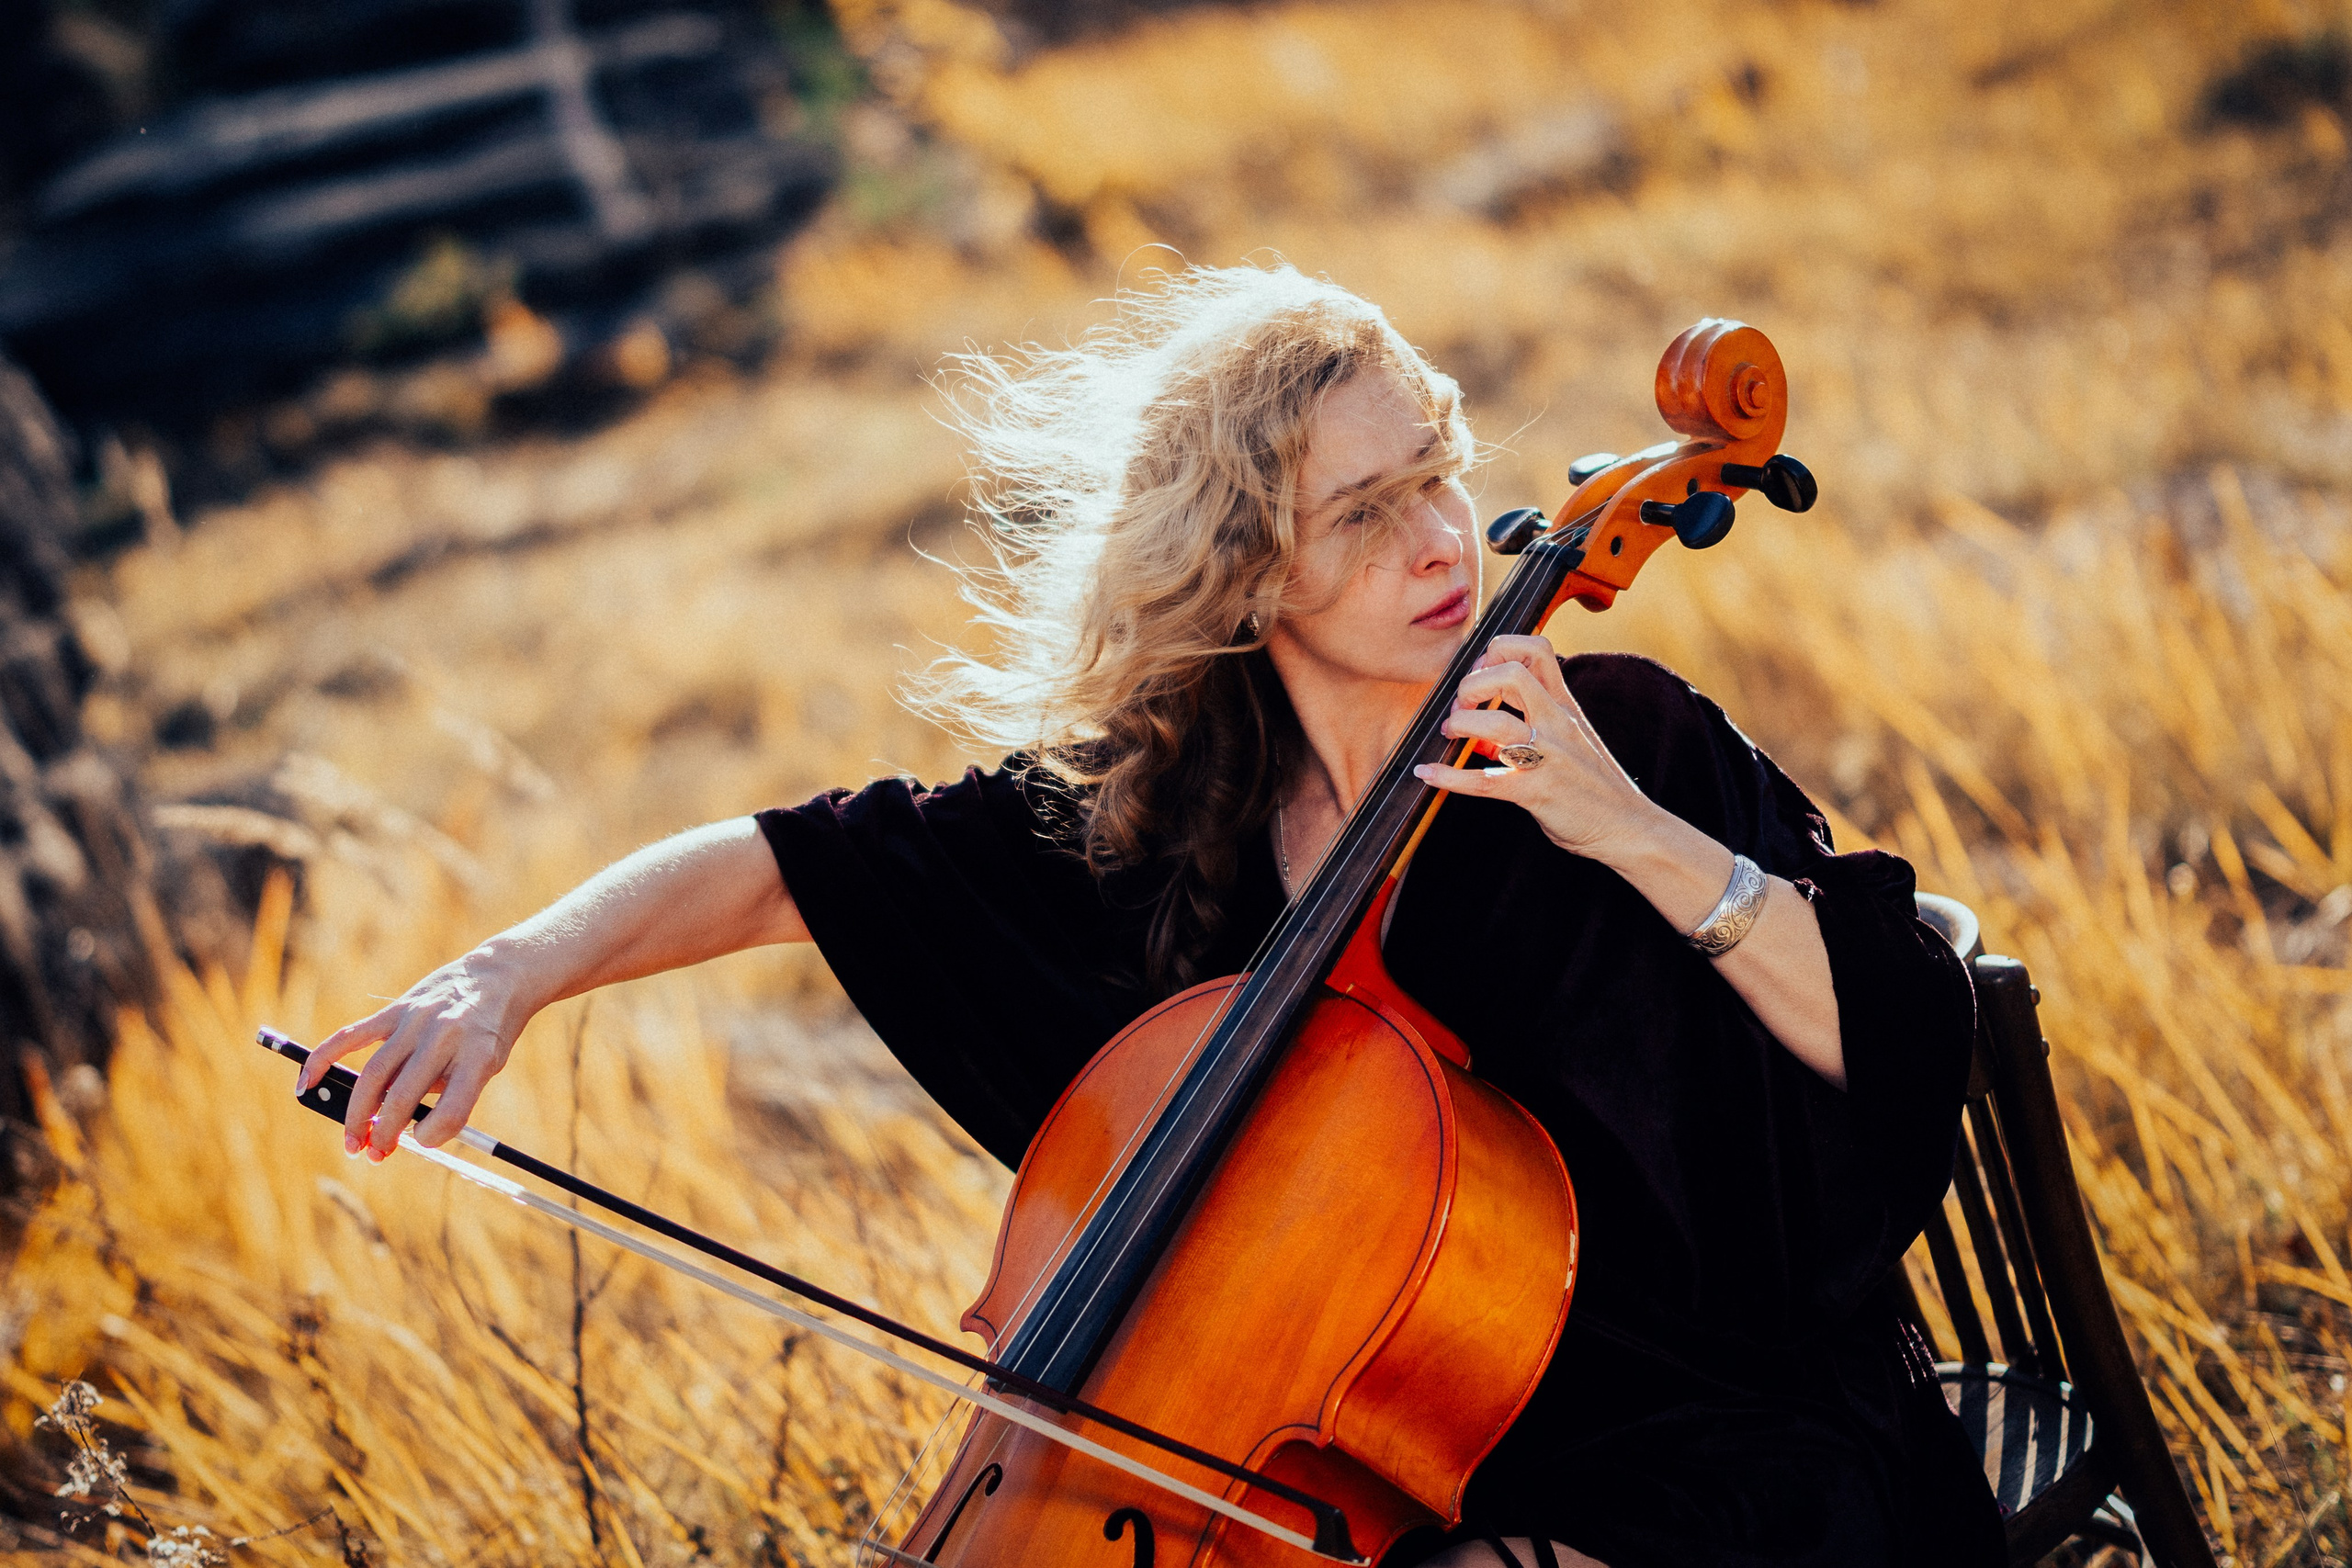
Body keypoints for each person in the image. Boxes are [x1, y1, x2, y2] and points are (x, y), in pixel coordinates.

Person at [300, 264, 2003, 1568]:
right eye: (1362, 513)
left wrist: (1627, 833)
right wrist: (506, 975)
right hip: (1372, 1476)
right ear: (1249, 574)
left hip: (1721, 1444)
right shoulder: (1165, 815)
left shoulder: (1613, 731)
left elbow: (1901, 1018)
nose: (1436, 542)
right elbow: (785, 861)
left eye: (1436, 478)